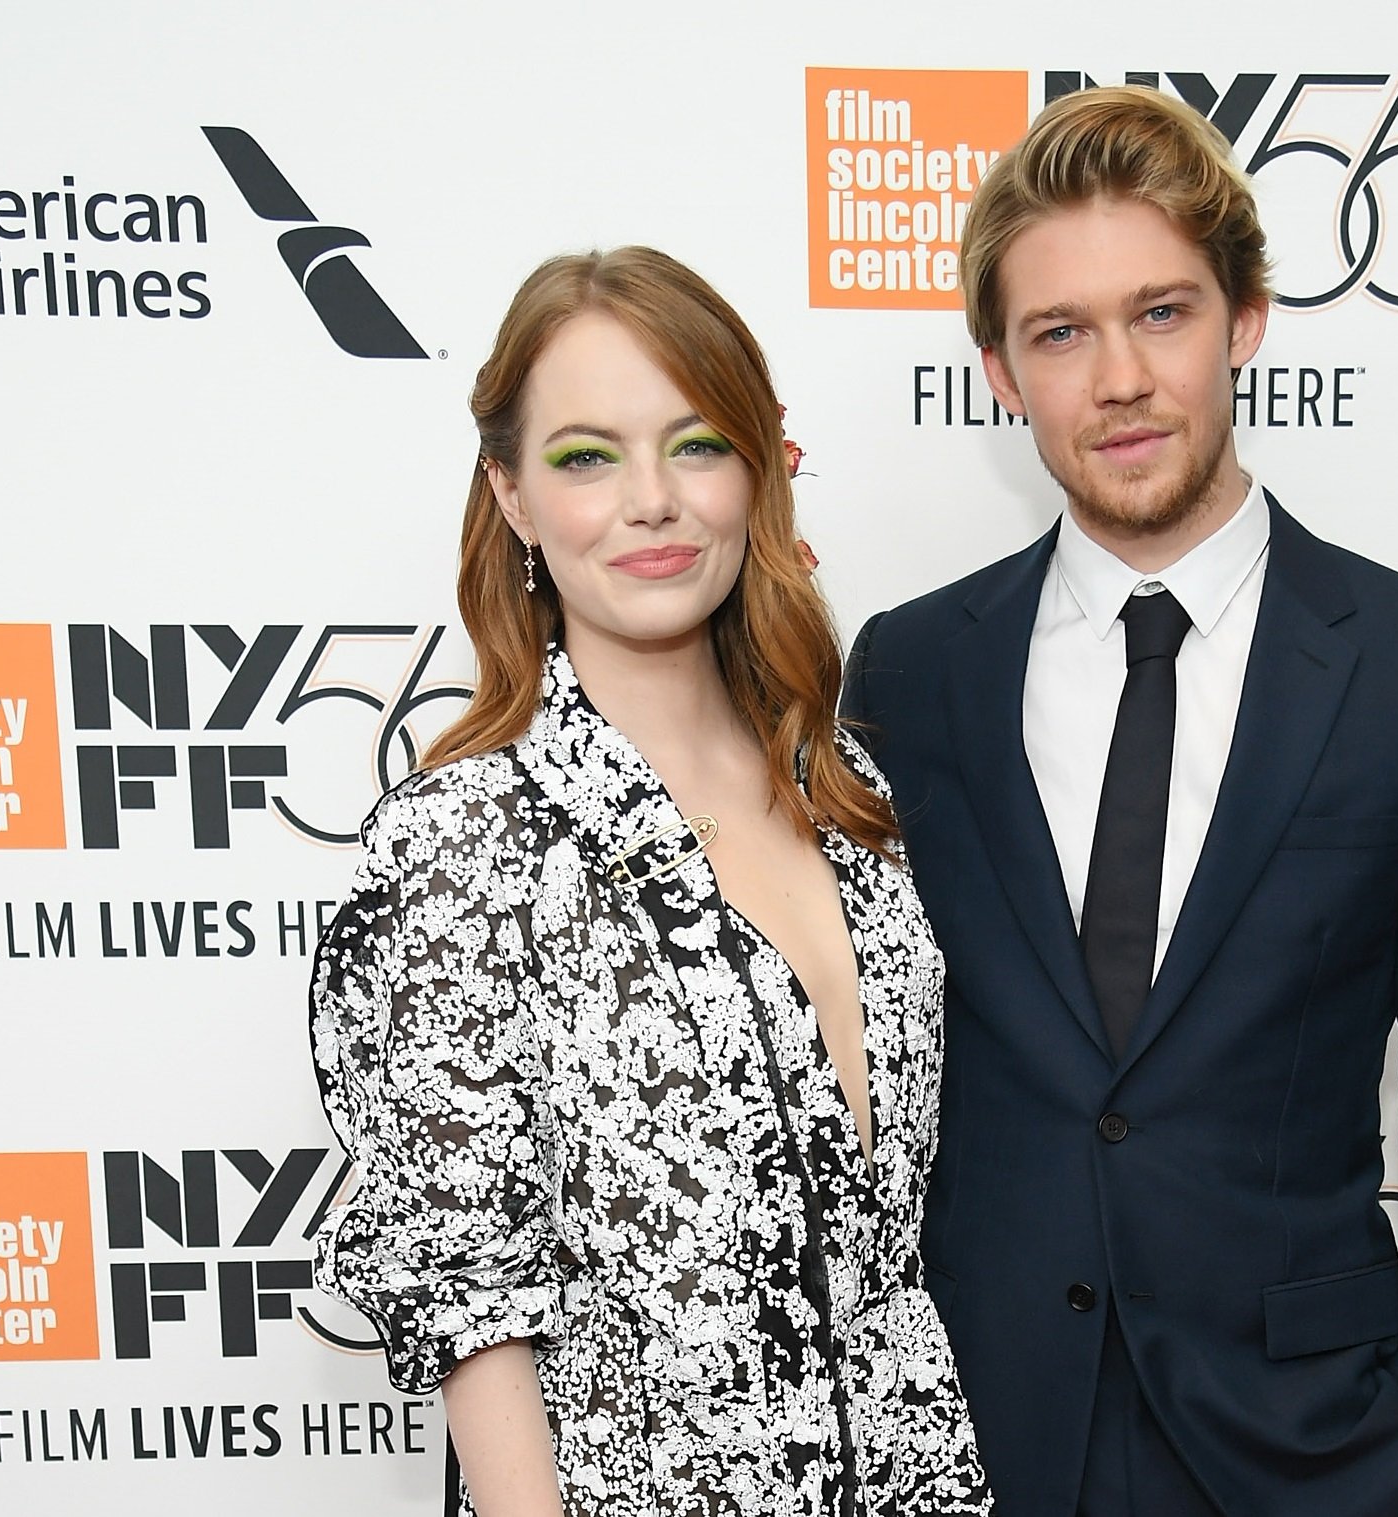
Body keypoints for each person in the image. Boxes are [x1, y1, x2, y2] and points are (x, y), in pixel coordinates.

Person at [842, 87, 1398, 1517]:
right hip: (982, 1432)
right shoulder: (910, 672)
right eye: (1059, 332)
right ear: (999, 368)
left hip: (1312, 1440)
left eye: (1159, 313)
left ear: (1242, 321)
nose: (1116, 379)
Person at [310, 247, 991, 1517]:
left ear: (758, 468)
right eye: (585, 456)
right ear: (510, 494)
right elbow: (472, 1295)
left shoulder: (846, 794)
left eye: (694, 443)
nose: (650, 501)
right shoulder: (462, 842)